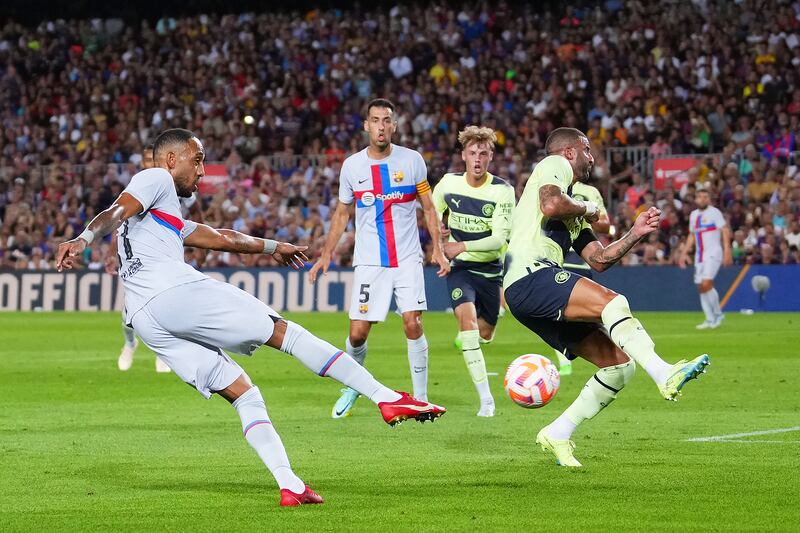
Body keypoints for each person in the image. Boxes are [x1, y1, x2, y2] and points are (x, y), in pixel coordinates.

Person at [55, 128, 446, 506]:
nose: (202, 171)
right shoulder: (155, 176)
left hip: (145, 318)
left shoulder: (163, 217)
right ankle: (386, 397)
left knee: (244, 393)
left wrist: (274, 246)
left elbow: (222, 237)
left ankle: (289, 484)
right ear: (172, 160)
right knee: (284, 333)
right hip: (172, 292)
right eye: (198, 160)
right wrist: (83, 239)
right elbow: (115, 210)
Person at [503, 127, 709, 467]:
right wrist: (587, 207)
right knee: (614, 303)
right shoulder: (553, 166)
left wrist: (635, 233)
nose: (591, 157)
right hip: (529, 274)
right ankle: (663, 373)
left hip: (526, 293)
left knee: (619, 366)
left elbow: (599, 259)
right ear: (569, 153)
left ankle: (558, 432)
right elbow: (552, 203)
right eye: (586, 150)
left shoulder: (571, 207)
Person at [309, 99, 450, 419]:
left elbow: (428, 207)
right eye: (375, 120)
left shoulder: (412, 161)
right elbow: (343, 212)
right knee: (358, 333)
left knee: (412, 322)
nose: (381, 126)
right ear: (366, 126)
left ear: (394, 125)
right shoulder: (352, 166)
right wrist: (326, 254)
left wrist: (438, 248)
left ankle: (421, 398)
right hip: (370, 261)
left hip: (407, 258)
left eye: (387, 120)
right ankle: (353, 384)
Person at [431, 126, 515, 417]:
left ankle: (486, 324)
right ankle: (486, 401)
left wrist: (459, 245)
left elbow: (499, 239)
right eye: (472, 153)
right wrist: (438, 240)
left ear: (490, 156)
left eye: (483, 153)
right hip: (461, 270)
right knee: (467, 331)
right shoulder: (449, 183)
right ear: (463, 156)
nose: (477, 159)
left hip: (491, 271)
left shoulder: (502, 190)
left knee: (486, 333)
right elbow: (431, 211)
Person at [555, 171, 611, 376]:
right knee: (557, 315)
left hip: (583, 258)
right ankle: (564, 361)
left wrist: (584, 212)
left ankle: (611, 353)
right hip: (557, 258)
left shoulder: (590, 192)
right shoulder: (551, 188)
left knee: (590, 316)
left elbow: (605, 224)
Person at [678, 188, 732, 329]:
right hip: (700, 255)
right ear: (695, 199)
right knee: (701, 287)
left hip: (714, 252)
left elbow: (725, 230)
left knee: (707, 283)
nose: (702, 199)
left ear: (709, 199)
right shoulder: (694, 215)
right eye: (700, 197)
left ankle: (718, 314)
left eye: (705, 197)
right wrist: (684, 253)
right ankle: (709, 319)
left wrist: (727, 250)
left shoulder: (714, 213)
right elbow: (691, 235)